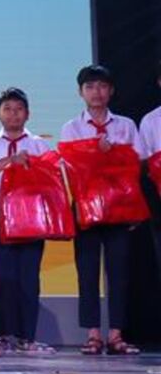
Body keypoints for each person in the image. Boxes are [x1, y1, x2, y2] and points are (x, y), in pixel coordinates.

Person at [60, 64, 146, 356]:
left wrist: (113, 154)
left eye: (101, 86)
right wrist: (95, 154)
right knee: (86, 271)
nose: (96, 92)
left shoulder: (126, 125)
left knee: (119, 271)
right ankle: (93, 334)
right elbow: (69, 168)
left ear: (111, 91)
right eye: (90, 87)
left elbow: (136, 164)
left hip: (119, 206)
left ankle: (117, 334)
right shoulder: (71, 127)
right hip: (86, 207)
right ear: (80, 92)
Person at [0, 88, 54, 354]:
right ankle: (5, 336)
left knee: (28, 274)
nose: (13, 114)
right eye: (7, 109)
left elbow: (51, 179)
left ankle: (28, 337)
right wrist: (10, 161)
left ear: (27, 114)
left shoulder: (39, 144)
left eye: (18, 109)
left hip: (30, 210)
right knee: (1, 274)